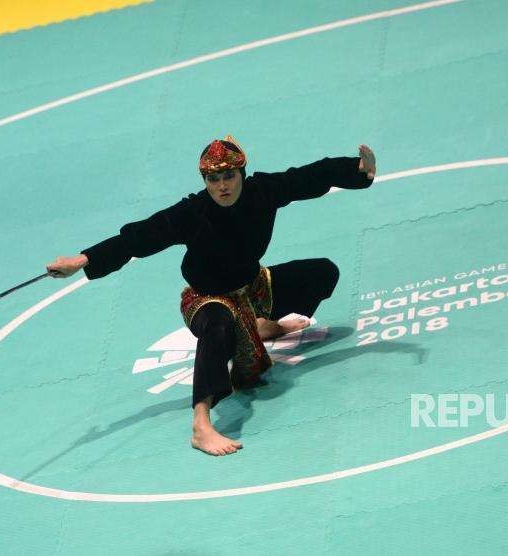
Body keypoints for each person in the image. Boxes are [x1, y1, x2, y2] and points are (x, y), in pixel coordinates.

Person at [46, 136, 377, 457]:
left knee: (322, 273)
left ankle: (262, 325)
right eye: (213, 178)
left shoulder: (262, 192)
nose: (222, 186)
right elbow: (139, 237)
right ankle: (201, 424)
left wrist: (357, 169)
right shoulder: (192, 212)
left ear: (242, 174)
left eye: (229, 176)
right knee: (219, 327)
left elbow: (308, 177)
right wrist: (83, 260)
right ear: (204, 180)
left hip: (253, 286)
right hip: (207, 299)